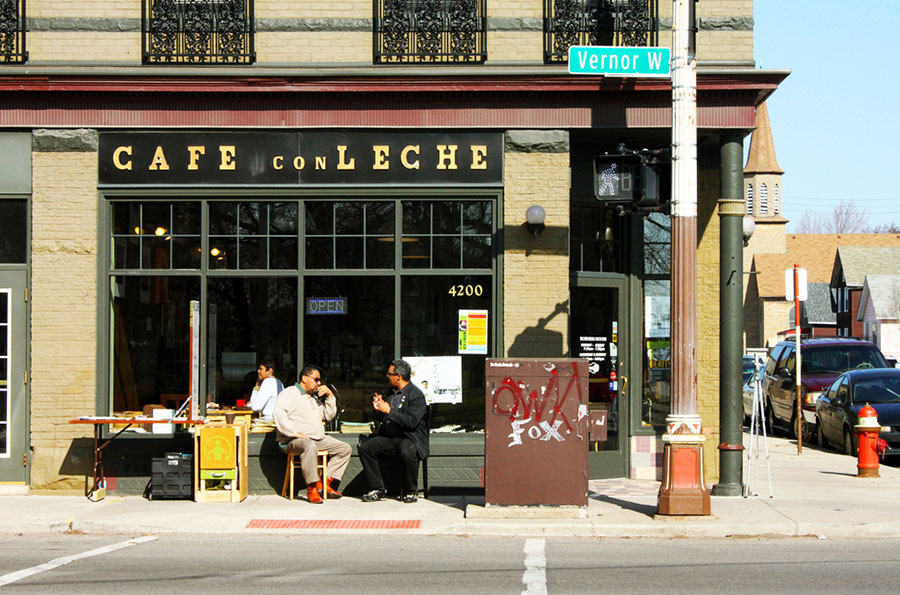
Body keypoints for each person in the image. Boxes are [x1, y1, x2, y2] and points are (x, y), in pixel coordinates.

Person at [273, 365, 351, 504]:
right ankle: (312, 487)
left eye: (319, 380)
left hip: (316, 438)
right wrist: (294, 433)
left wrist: (330, 396)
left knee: (344, 448)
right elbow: (279, 414)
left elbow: (328, 415)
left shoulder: (313, 398)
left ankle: (325, 482)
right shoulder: (289, 393)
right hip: (294, 440)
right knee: (309, 446)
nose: (319, 383)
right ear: (304, 378)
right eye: (316, 379)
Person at [359, 359, 429, 503]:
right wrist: (378, 408)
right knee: (365, 448)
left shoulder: (416, 395)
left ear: (398, 376)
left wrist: (389, 410)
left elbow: (412, 421)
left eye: (389, 374)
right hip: (389, 436)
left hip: (409, 437)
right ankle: (378, 489)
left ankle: (411, 490)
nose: (387, 376)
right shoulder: (392, 392)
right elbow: (385, 416)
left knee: (407, 452)